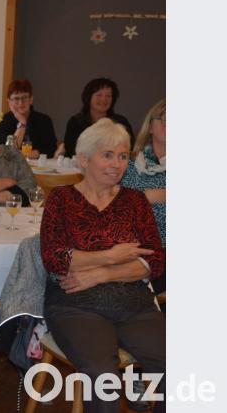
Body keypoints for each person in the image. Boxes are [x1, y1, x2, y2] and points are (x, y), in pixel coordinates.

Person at [41, 118, 165, 413]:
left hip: (135, 306)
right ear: (83, 159)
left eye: (123, 156)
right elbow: (55, 258)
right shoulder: (61, 199)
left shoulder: (135, 201)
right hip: (76, 306)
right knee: (104, 380)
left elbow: (155, 261)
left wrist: (100, 272)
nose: (117, 164)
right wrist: (114, 255)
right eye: (107, 155)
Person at [121, 99, 166, 293]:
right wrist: (148, 196)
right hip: (125, 245)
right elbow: (115, 201)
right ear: (150, 127)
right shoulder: (129, 162)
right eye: (165, 118)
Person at [63, 77, 135, 157]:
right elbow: (71, 151)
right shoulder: (76, 122)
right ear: (89, 97)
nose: (104, 99)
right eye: (99, 95)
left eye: (108, 96)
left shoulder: (120, 122)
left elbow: (129, 148)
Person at [0, 79, 58, 158]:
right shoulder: (3, 121)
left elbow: (51, 148)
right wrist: (22, 122)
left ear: (31, 99)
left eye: (24, 97)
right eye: (16, 98)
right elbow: (6, 152)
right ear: (9, 101)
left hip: (39, 166)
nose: (21, 102)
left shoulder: (44, 120)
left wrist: (32, 154)